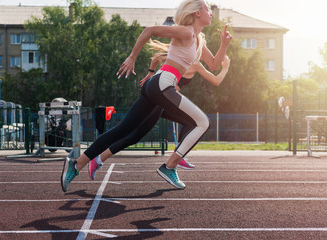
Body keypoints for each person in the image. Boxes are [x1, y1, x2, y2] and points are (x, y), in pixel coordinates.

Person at [61, 0, 232, 192]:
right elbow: (149, 30)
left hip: (157, 83)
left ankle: (76, 165)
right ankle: (170, 166)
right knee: (202, 122)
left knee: (124, 129)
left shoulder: (198, 39)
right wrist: (132, 57)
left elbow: (215, 64)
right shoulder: (186, 31)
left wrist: (224, 44)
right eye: (208, 9)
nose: (211, 12)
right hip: (162, 83)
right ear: (197, 13)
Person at [86, 52, 231, 180]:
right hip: (159, 101)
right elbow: (216, 80)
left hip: (165, 102)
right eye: (203, 46)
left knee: (191, 122)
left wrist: (151, 73)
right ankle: (97, 159)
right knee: (133, 136)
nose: (205, 52)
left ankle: (178, 156)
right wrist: (225, 68)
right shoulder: (191, 61)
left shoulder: (181, 56)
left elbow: (156, 58)